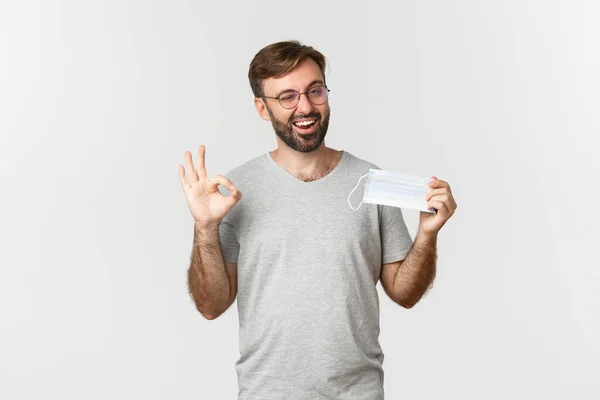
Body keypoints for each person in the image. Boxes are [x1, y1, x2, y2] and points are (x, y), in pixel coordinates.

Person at [178, 40, 457, 400]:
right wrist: (205, 228)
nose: (305, 107)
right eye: (288, 97)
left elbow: (404, 293)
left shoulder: (370, 182)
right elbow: (211, 306)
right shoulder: (234, 191)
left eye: (315, 91)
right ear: (262, 108)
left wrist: (427, 235)